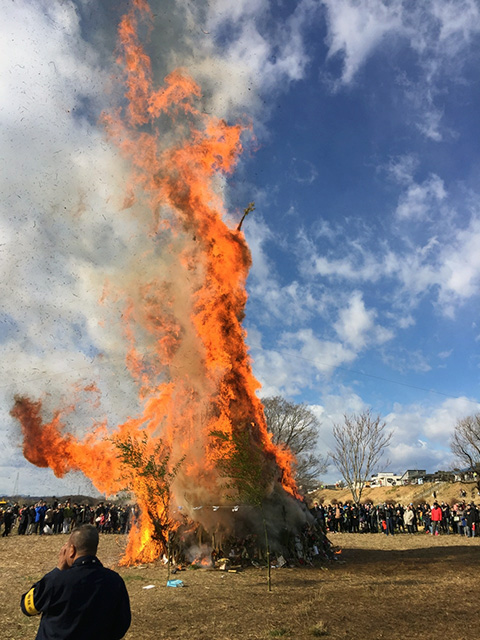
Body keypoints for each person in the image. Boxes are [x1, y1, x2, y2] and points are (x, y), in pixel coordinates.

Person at [20, 524, 131, 640]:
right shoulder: (115, 581)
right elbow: (122, 624)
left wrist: (58, 570)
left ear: (72, 550)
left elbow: (27, 607)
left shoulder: (57, 580)